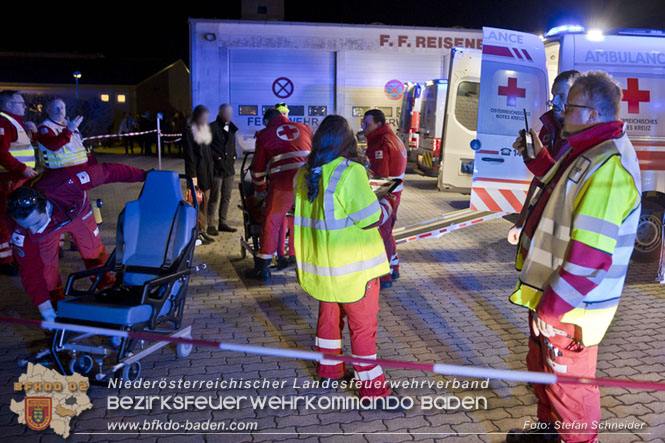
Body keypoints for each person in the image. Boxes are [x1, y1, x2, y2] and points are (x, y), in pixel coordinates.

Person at [506, 71, 641, 443]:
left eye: (570, 106)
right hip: (554, 294)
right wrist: (537, 159)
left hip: (572, 307)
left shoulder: (609, 167)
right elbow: (560, 188)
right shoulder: (588, 149)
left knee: (570, 390)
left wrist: (552, 309)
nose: (561, 112)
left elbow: (591, 257)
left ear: (594, 113)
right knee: (544, 373)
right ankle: (548, 434)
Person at [293, 115, 396, 400]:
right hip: (356, 271)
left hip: (323, 268)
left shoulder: (305, 173)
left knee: (328, 321)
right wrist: (386, 201)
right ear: (347, 141)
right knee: (363, 329)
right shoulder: (350, 172)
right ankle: (374, 391)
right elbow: (369, 219)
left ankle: (329, 371)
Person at [6, 162, 146, 322]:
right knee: (46, 269)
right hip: (49, 229)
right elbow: (30, 270)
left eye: (36, 223)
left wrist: (145, 176)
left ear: (44, 207)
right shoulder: (21, 228)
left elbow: (107, 172)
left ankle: (107, 289)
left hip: (77, 212)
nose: (33, 231)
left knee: (93, 253)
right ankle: (56, 306)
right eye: (26, 226)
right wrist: (44, 307)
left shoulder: (67, 184)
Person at [507, 70, 581, 245]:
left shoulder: (584, 138)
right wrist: (522, 220)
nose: (554, 102)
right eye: (553, 95)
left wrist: (539, 159)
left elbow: (561, 184)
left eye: (561, 96)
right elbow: (539, 181)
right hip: (543, 226)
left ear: (580, 98)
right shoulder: (549, 129)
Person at [246, 107, 312, 279]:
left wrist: (260, 192)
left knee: (271, 221)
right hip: (306, 182)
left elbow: (258, 170)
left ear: (267, 121)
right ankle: (308, 261)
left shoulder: (265, 134)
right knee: (305, 221)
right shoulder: (303, 128)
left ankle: (264, 268)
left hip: (282, 185)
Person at [362, 109, 407, 289]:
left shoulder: (381, 143)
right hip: (393, 194)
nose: (364, 127)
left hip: (385, 195)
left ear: (378, 124)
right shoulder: (391, 138)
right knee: (387, 233)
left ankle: (384, 276)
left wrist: (370, 200)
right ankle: (393, 267)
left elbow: (380, 177)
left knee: (381, 234)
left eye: (367, 124)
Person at [0, 90, 39, 275]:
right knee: (6, 216)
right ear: (7, 105)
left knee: (12, 216)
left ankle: (11, 256)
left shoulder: (13, 122)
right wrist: (21, 168)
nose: (24, 106)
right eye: (20, 103)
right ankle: (4, 261)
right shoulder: (3, 122)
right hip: (7, 178)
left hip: (15, 177)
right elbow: (1, 152)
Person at [183, 105, 216, 245]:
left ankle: (202, 231)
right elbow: (189, 155)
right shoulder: (189, 130)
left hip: (207, 172)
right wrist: (192, 176)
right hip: (197, 173)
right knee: (196, 203)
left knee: (205, 202)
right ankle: (195, 234)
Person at [208, 104, 238, 235]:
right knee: (214, 197)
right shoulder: (212, 128)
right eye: (226, 112)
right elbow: (207, 148)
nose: (229, 115)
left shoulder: (231, 128)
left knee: (226, 197)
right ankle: (210, 224)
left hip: (229, 169)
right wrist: (217, 158)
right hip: (217, 169)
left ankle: (223, 222)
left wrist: (235, 156)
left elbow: (232, 145)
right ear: (220, 113)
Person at [37, 98, 87, 173]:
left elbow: (80, 145)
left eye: (62, 107)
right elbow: (53, 145)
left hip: (79, 169)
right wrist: (69, 130)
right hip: (59, 172)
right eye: (56, 108)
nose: (60, 110)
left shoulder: (70, 124)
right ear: (48, 110)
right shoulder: (45, 128)